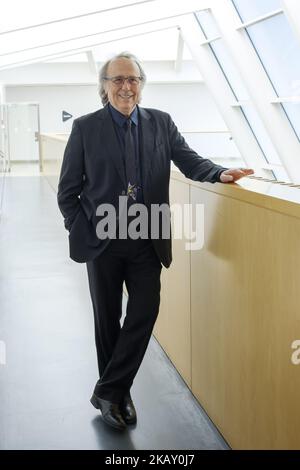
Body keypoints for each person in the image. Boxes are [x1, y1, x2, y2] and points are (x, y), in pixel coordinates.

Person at [57, 51, 254, 431]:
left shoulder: (161, 123)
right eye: (118, 80)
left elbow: (188, 159)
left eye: (133, 79)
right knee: (107, 320)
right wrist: (80, 228)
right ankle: (119, 395)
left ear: (141, 85)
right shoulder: (85, 128)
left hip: (148, 237)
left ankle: (109, 390)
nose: (126, 86)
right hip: (103, 241)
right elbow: (68, 191)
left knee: (145, 311)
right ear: (104, 86)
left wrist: (220, 172)